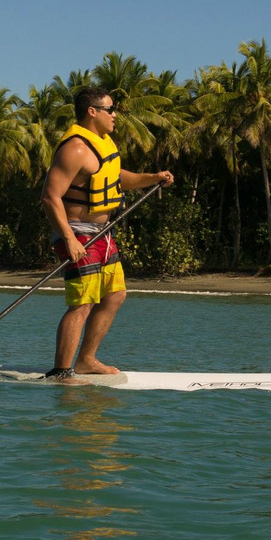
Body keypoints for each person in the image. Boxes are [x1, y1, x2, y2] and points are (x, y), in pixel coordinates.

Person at [40, 87, 174, 379]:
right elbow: (50, 197)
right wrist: (69, 238)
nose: (116, 115)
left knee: (115, 295)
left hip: (103, 232)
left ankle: (86, 360)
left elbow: (115, 177)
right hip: (78, 232)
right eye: (110, 109)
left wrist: (151, 178)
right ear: (92, 112)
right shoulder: (75, 148)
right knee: (83, 302)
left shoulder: (104, 143)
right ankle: (61, 372)